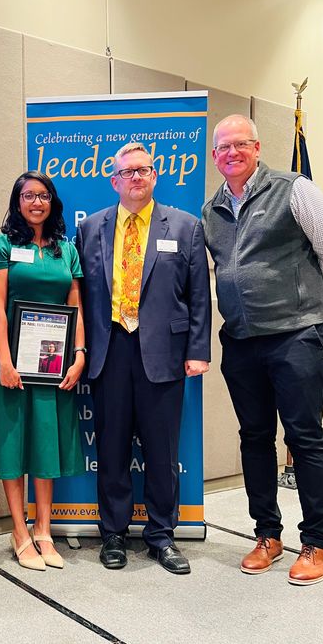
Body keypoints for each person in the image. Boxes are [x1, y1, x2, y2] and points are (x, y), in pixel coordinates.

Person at [77, 142, 211, 572]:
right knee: (112, 447)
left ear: (154, 177)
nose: (136, 177)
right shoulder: (90, 228)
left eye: (144, 170)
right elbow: (79, 295)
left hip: (164, 354)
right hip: (109, 350)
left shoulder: (186, 227)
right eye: (128, 172)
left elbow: (198, 297)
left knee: (161, 450)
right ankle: (113, 534)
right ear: (114, 180)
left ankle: (161, 534)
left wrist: (198, 351)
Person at [203, 114, 323, 586]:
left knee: (304, 438)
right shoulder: (211, 210)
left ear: (257, 147)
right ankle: (266, 536)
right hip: (241, 341)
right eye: (222, 148)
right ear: (214, 157)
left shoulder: (294, 189)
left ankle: (315, 540)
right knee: (253, 437)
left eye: (240, 145)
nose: (231, 153)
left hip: (296, 335)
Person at [0, 171, 85, 571]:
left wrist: (80, 353)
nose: (35, 202)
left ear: (52, 201)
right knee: (13, 442)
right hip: (11, 363)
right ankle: (19, 531)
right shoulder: (4, 245)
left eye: (42, 195)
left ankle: (43, 529)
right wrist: (4, 360)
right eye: (27, 195)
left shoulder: (65, 250)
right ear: (17, 202)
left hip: (53, 364)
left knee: (45, 442)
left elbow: (75, 306)